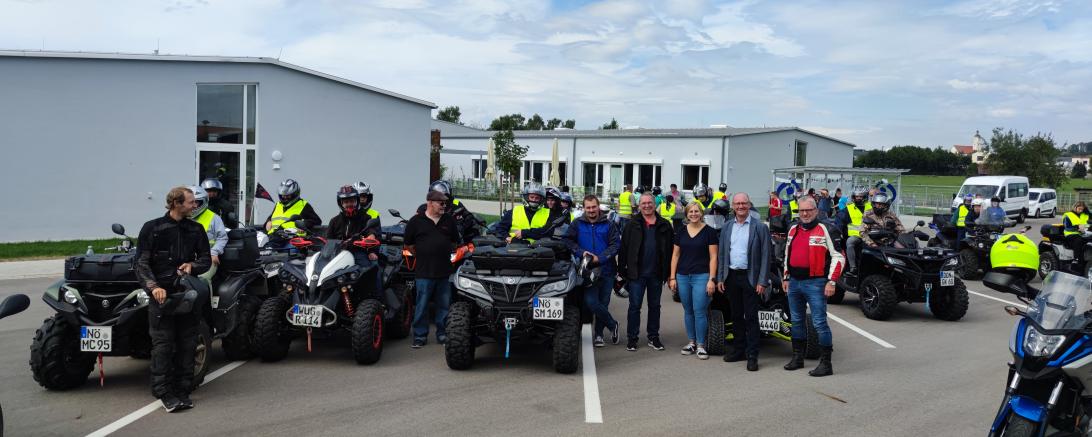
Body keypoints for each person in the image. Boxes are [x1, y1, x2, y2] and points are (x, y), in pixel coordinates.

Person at [134, 186, 212, 412]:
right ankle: (164, 392)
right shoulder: (152, 228)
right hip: (161, 297)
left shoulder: (196, 229)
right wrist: (153, 286)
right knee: (163, 346)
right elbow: (141, 263)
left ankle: (183, 390)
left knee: (188, 343)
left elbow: (206, 259)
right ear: (177, 203)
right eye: (190, 202)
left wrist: (192, 266)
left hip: (186, 294)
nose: (195, 205)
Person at [781, 197, 842, 377]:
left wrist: (831, 281)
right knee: (796, 321)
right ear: (798, 212)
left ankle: (826, 364)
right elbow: (787, 255)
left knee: (819, 323)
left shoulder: (826, 229)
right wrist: (786, 277)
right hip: (794, 282)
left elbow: (839, 256)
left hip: (816, 283)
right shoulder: (793, 229)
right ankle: (797, 358)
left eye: (809, 210)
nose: (805, 214)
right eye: (802, 211)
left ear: (816, 210)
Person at [716, 193, 770, 371]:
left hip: (751, 278)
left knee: (751, 318)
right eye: (737, 203)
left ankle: (752, 355)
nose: (741, 206)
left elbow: (765, 257)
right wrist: (721, 277)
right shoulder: (727, 226)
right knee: (736, 315)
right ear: (733, 206)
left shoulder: (759, 227)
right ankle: (739, 350)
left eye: (744, 203)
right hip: (731, 277)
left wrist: (762, 281)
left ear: (749, 205)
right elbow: (723, 254)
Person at [404, 191, 460, 348]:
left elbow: (455, 242)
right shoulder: (415, 222)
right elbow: (408, 244)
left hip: (444, 271)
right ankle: (420, 336)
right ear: (430, 203)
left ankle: (442, 334)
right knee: (421, 305)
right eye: (440, 203)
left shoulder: (449, 220)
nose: (444, 205)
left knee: (444, 305)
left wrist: (441, 250)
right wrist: (424, 254)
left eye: (445, 203)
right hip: (424, 272)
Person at [619, 193, 674, 352]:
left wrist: (670, 274)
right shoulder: (632, 224)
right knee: (634, 307)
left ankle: (653, 337)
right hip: (636, 274)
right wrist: (622, 271)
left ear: (654, 204)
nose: (647, 205)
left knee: (655, 306)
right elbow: (624, 249)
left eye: (650, 202)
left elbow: (670, 250)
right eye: (644, 203)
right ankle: (632, 338)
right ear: (639, 205)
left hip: (656, 274)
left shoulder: (664, 225)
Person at [565, 195, 622, 347]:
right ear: (584, 208)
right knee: (591, 302)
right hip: (588, 271)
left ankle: (599, 335)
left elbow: (616, 245)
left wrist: (600, 258)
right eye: (588, 207)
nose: (591, 210)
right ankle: (612, 324)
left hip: (607, 270)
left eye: (593, 207)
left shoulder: (609, 224)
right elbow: (568, 241)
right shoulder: (577, 224)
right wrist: (581, 253)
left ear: (598, 207)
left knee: (604, 303)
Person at [669, 201, 718, 359]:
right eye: (691, 212)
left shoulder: (709, 232)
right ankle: (691, 342)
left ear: (701, 213)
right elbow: (675, 255)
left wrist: (712, 279)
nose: (694, 214)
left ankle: (701, 345)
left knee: (699, 310)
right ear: (687, 214)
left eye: (697, 211)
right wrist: (672, 277)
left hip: (702, 276)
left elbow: (713, 257)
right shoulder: (681, 231)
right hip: (682, 276)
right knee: (688, 310)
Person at [325, 185, 382, 295]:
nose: (349, 204)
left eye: (352, 201)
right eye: (346, 202)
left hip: (358, 253)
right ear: (341, 203)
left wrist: (371, 239)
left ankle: (376, 300)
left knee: (373, 270)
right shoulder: (334, 221)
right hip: (337, 255)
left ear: (356, 201)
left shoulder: (365, 218)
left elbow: (371, 231)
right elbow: (328, 240)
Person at [188, 185, 227, 284]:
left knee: (202, 280)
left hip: (207, 258)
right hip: (186, 258)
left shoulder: (214, 218)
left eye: (197, 202)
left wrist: (214, 252)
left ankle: (207, 300)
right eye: (191, 202)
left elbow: (222, 238)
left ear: (203, 201)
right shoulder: (182, 217)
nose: (194, 205)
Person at [837, 189, 872, 276]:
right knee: (849, 242)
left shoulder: (871, 207)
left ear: (865, 197)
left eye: (861, 196)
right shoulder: (849, 208)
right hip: (856, 235)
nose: (858, 198)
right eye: (857, 196)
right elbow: (839, 220)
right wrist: (839, 231)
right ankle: (853, 268)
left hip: (871, 235)